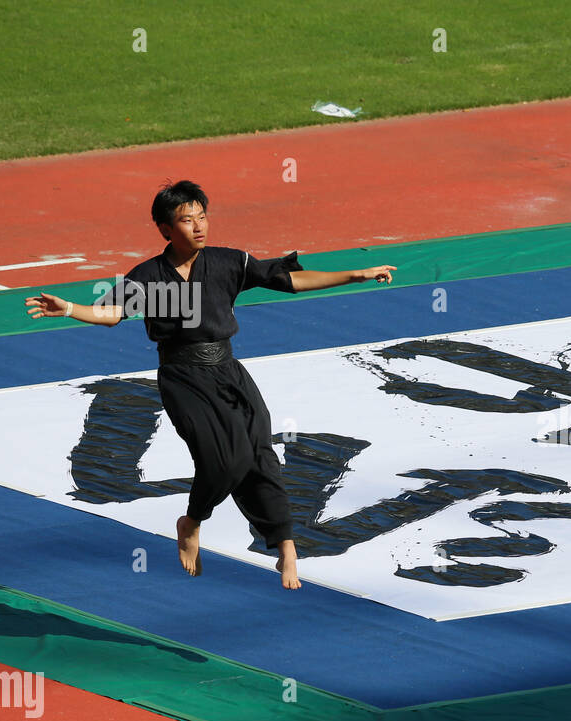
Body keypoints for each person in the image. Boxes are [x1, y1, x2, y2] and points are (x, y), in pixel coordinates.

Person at [24, 180, 396, 588]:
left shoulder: (228, 262)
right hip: (183, 378)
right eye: (187, 220)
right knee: (223, 460)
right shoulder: (149, 276)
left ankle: (285, 545)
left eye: (203, 217)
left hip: (229, 371)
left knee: (259, 454)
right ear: (165, 229)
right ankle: (192, 522)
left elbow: (288, 280)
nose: (199, 226)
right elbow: (113, 312)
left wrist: (356, 274)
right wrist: (71, 309)